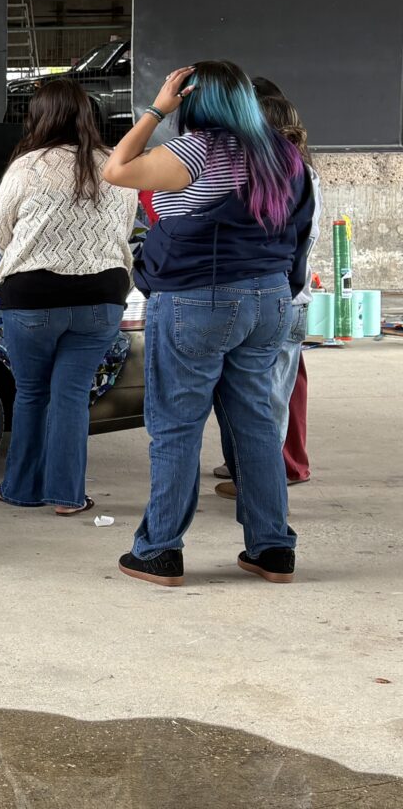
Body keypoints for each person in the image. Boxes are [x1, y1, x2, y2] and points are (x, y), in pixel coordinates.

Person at [102, 61, 313, 587]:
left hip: (199, 297)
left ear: (194, 100)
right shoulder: (281, 154)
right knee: (256, 423)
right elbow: (298, 230)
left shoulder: (195, 150)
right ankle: (272, 549)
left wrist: (156, 110)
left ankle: (159, 551)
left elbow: (116, 169)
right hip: (269, 298)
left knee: (176, 425)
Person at [0, 80, 138, 516]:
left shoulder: (27, 166)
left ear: (39, 117)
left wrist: (40, 251)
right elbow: (125, 229)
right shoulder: (115, 164)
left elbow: (1, 233)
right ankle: (68, 497)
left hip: (32, 295)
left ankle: (20, 489)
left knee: (32, 393)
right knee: (71, 395)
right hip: (102, 295)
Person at [214, 85, 321, 498]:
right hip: (290, 299)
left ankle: (263, 486)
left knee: (264, 399)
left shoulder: (274, 177)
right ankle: (253, 473)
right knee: (268, 395)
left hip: (277, 296)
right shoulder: (304, 174)